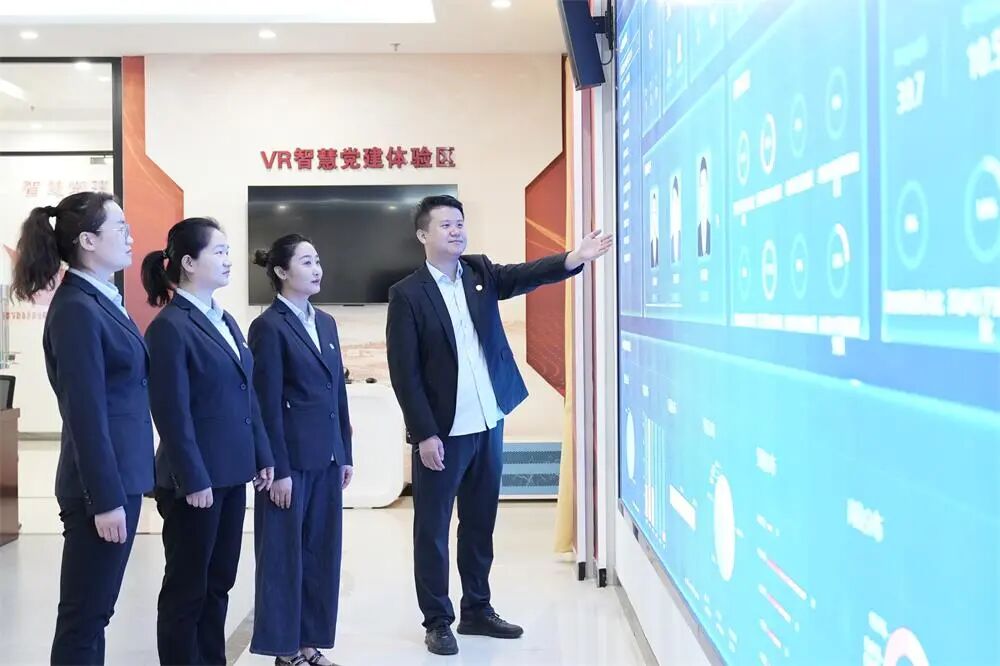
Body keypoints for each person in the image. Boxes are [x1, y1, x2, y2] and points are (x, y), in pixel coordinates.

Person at [385, 195, 612, 656]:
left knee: (479, 523)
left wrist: (574, 257)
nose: (456, 231)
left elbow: (525, 275)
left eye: (460, 223)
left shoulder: (479, 272)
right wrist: (423, 433)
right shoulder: (407, 294)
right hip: (442, 433)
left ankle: (476, 609)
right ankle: (437, 620)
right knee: (432, 529)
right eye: (446, 225)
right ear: (423, 235)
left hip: (488, 421)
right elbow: (404, 372)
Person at [11, 192, 154, 665]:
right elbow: (85, 413)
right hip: (100, 488)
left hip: (120, 478)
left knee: (96, 614)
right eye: (120, 228)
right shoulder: (77, 307)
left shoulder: (100, 299)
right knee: (84, 617)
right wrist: (105, 498)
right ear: (88, 241)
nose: (130, 237)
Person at [140, 217, 274, 666]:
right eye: (219, 251)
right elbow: (171, 413)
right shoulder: (170, 327)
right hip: (194, 483)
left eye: (227, 251)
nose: (228, 260)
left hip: (231, 475)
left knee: (218, 584)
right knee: (187, 588)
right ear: (188, 263)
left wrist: (262, 454)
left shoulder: (224, 319)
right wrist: (193, 478)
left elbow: (247, 393)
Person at [247, 234, 353, 666]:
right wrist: (277, 468)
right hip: (289, 464)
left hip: (326, 458)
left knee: (321, 554)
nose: (317, 268)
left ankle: (310, 643)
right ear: (281, 271)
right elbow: (265, 403)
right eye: (306, 261)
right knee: (283, 558)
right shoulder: (268, 327)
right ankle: (284, 649)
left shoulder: (325, 322)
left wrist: (344, 452)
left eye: (317, 260)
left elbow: (336, 394)